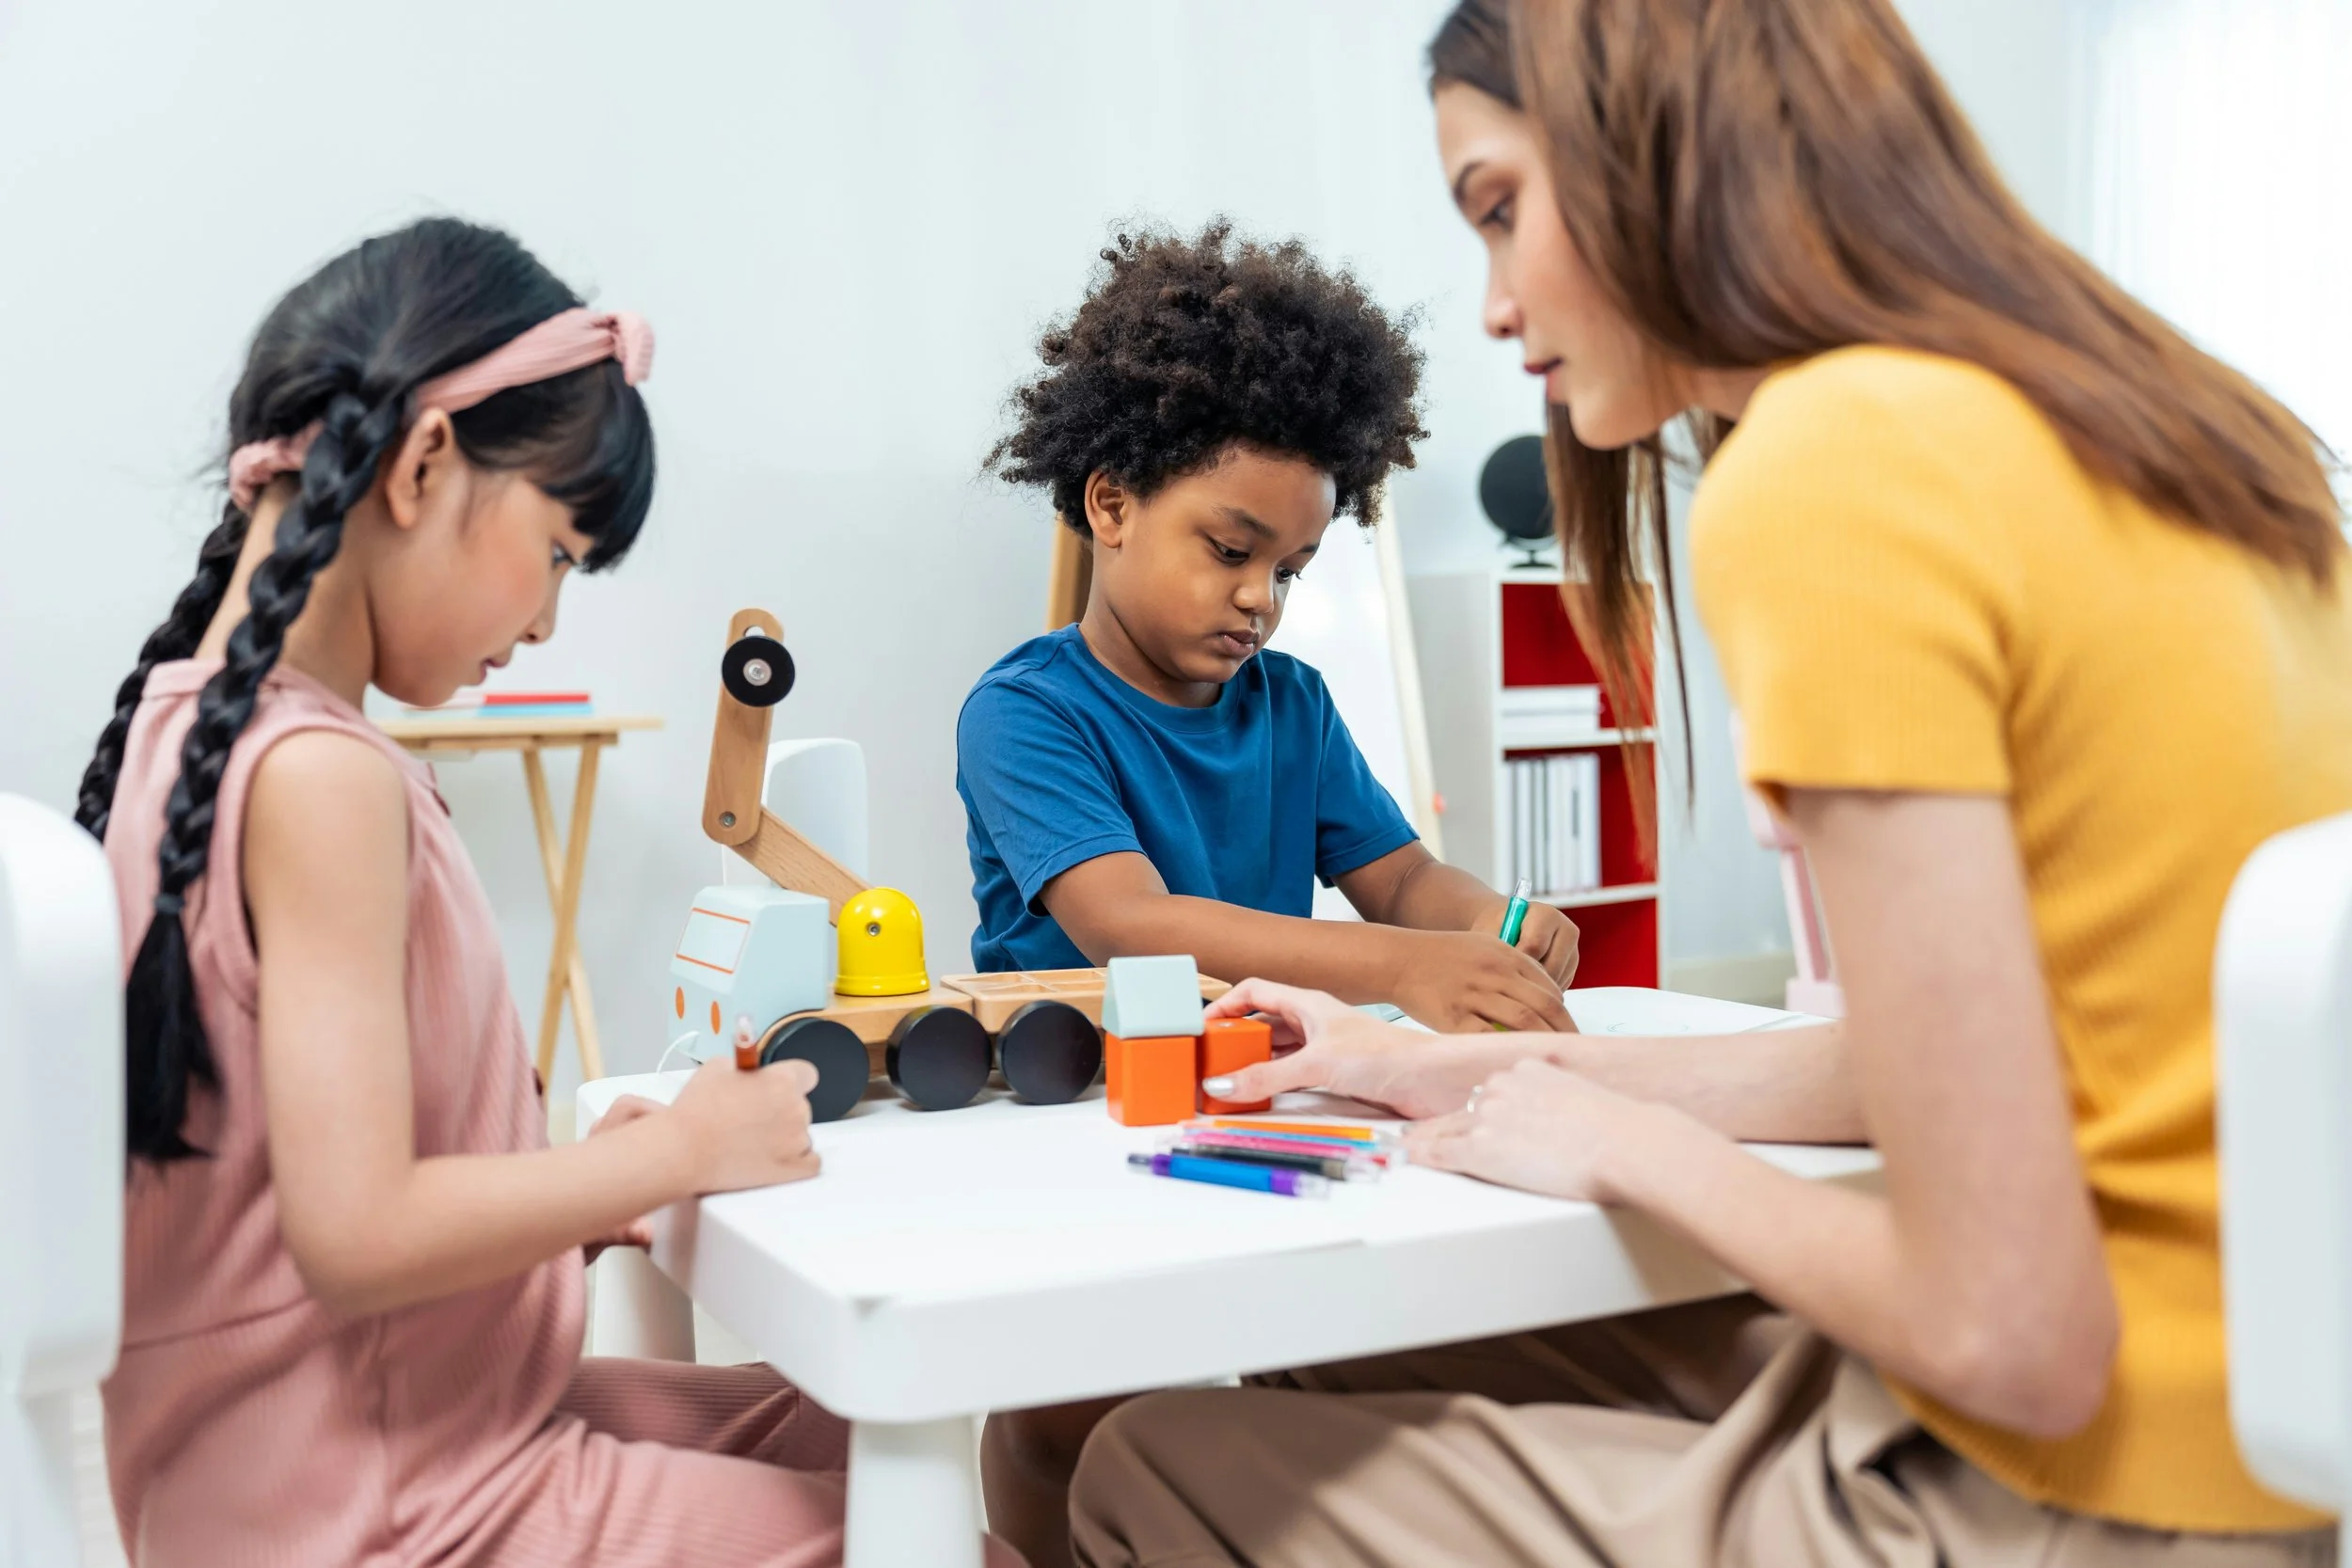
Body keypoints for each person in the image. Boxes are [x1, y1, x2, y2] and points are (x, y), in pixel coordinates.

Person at [1065, 1, 2352, 1563]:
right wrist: (1456, 1076)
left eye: (1500, 209)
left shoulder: (1836, 463)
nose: (1490, 303)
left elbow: (2015, 1323)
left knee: (1154, 1457)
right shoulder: (2189, 438)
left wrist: (1629, 1144)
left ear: (1646, 154)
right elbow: (1950, 1061)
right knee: (1344, 1350)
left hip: (2069, 1483)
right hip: (2252, 1452)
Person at [82, 217, 1019, 1567]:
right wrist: (667, 1155)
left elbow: (295, 1190)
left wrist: (585, 1181)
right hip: (376, 1497)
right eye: (563, 553)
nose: (545, 623)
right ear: (420, 465)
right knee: (947, 1540)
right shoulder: (319, 779)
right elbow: (354, 1232)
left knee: (848, 1423)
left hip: (311, 1448)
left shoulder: (190, 731)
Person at [962, 220, 1580, 1038]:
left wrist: (1489, 919)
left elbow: (1401, 881)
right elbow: (1129, 926)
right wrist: (1403, 966)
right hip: (1075, 1093)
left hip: (1257, 1076)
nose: (1260, 597)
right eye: (1229, 551)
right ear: (1111, 505)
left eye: (1289, 569)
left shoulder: (1293, 705)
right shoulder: (1025, 712)